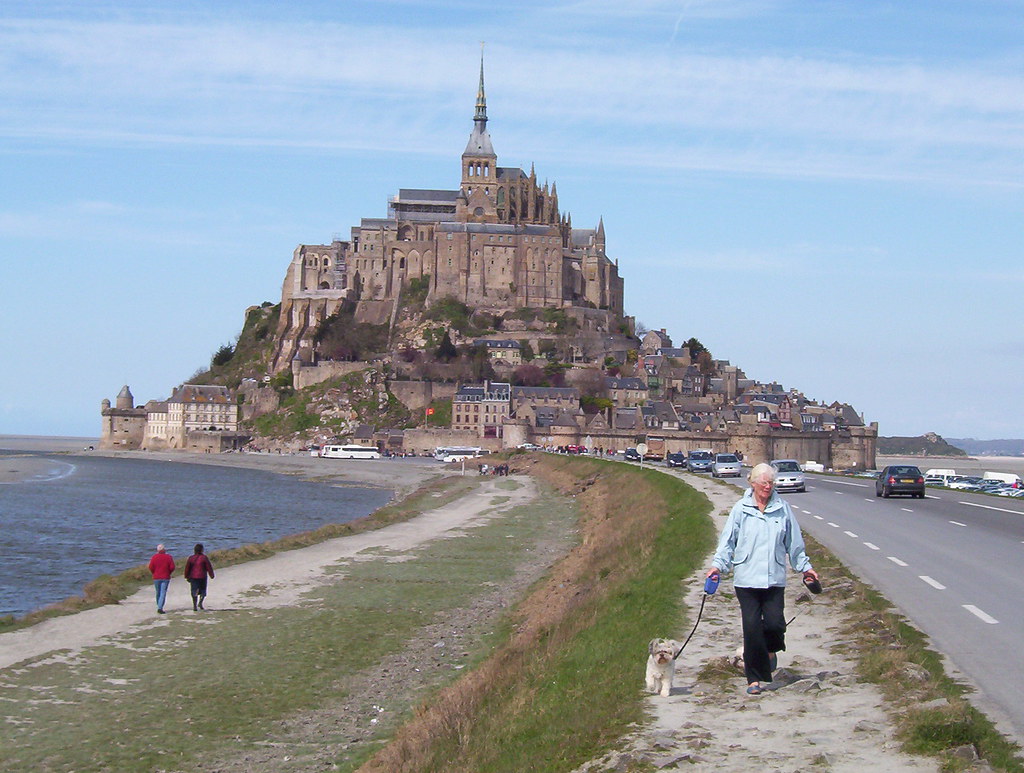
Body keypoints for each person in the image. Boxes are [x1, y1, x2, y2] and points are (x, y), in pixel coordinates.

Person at [706, 462, 820, 695]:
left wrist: (805, 569)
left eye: (771, 483)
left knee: (775, 624)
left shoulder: (783, 509)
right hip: (746, 578)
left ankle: (770, 651)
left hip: (773, 578)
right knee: (751, 628)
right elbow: (727, 543)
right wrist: (717, 567)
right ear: (753, 483)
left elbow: (794, 545)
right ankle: (754, 679)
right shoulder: (740, 509)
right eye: (764, 483)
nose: (768, 487)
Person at [183, 543, 216, 611]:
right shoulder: (204, 558)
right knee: (203, 591)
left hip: (193, 577)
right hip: (202, 576)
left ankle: (195, 605)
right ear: (201, 550)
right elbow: (208, 567)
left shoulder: (191, 558)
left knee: (194, 591)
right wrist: (211, 575)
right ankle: (200, 602)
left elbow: (187, 568)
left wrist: (186, 576)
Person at [148, 544, 176, 614]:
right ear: (164, 550)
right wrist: (168, 572)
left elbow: (151, 567)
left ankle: (159, 606)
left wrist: (154, 573)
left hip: (156, 577)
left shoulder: (154, 557)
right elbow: (172, 567)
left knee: (158, 592)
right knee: (163, 592)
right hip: (165, 577)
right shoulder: (168, 557)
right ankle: (160, 607)